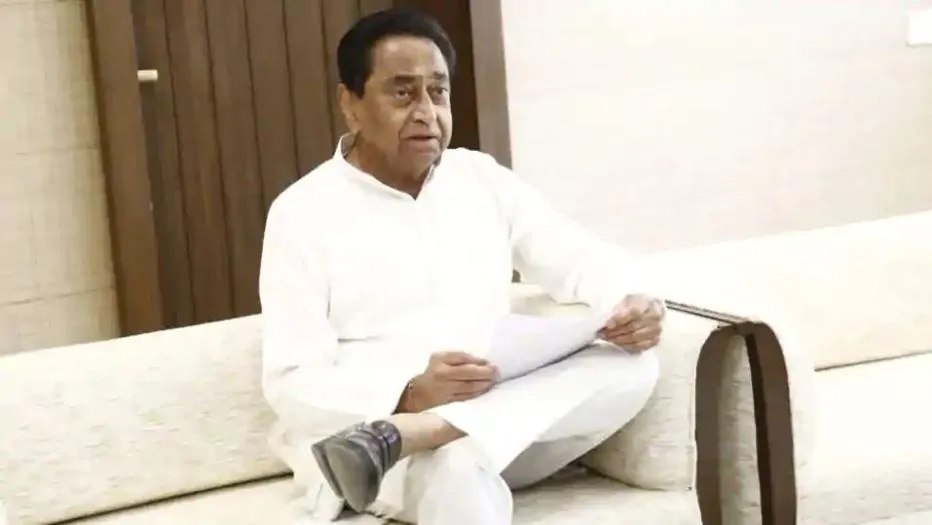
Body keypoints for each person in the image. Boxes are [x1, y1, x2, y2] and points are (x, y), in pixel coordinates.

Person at [258, 7, 665, 525]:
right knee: (455, 466)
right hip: (378, 447)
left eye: (438, 92)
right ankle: (409, 434)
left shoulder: (479, 178)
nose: (427, 112)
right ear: (350, 104)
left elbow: (581, 258)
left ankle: (433, 428)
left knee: (633, 366)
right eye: (403, 93)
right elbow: (292, 381)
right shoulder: (301, 214)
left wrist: (634, 302)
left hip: (495, 417)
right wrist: (407, 395)